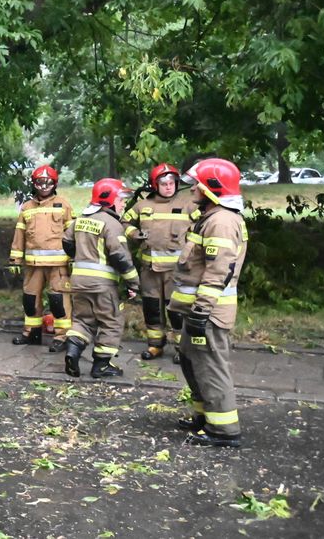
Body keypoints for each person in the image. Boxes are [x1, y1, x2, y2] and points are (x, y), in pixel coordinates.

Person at [167, 158, 248, 448]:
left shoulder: (222, 222)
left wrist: (201, 311)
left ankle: (223, 431)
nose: (192, 190)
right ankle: (204, 416)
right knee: (192, 362)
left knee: (210, 366)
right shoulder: (210, 217)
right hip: (197, 310)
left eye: (197, 185)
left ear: (212, 188)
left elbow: (218, 271)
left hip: (209, 313)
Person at [61, 178, 140, 379]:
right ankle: (102, 365)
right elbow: (120, 258)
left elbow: (67, 242)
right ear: (110, 199)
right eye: (121, 199)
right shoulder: (112, 224)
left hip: (79, 282)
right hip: (103, 285)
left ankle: (73, 351)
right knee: (111, 321)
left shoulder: (81, 219)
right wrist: (133, 282)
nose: (123, 204)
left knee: (82, 320)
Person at [122, 163, 198, 362]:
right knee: (152, 309)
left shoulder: (188, 204)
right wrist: (135, 234)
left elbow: (202, 228)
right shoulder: (143, 206)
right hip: (150, 271)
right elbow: (124, 222)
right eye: (163, 183)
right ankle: (155, 345)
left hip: (177, 271)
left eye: (172, 182)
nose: (168, 186)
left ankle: (182, 349)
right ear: (155, 185)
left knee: (177, 311)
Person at [9, 165, 73, 351]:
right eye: (40, 182)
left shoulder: (64, 205)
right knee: (30, 300)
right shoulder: (27, 207)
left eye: (48, 182)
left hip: (58, 265)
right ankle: (31, 333)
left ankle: (62, 337)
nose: (44, 186)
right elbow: (19, 235)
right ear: (34, 184)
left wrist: (74, 258)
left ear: (54, 184)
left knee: (58, 302)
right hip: (33, 265)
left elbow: (72, 234)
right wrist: (15, 259)